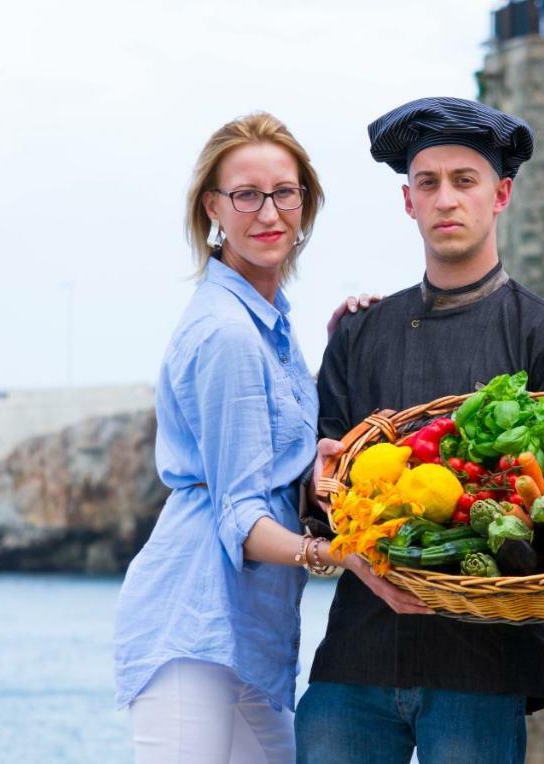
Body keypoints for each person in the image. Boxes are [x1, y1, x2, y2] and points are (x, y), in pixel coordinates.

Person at [294, 96, 544, 764]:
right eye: (428, 184)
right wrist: (321, 489)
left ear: (502, 195)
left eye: (465, 181)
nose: (446, 200)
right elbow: (316, 486)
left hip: (483, 670)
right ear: (408, 202)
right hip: (356, 657)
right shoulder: (360, 333)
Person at [112, 112, 425, 764]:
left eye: (286, 191)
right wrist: (343, 556)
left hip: (243, 628)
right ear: (213, 208)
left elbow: (269, 443)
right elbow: (240, 517)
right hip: (195, 623)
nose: (269, 211)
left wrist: (343, 347)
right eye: (246, 194)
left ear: (305, 202)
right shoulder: (228, 333)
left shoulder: (270, 322)